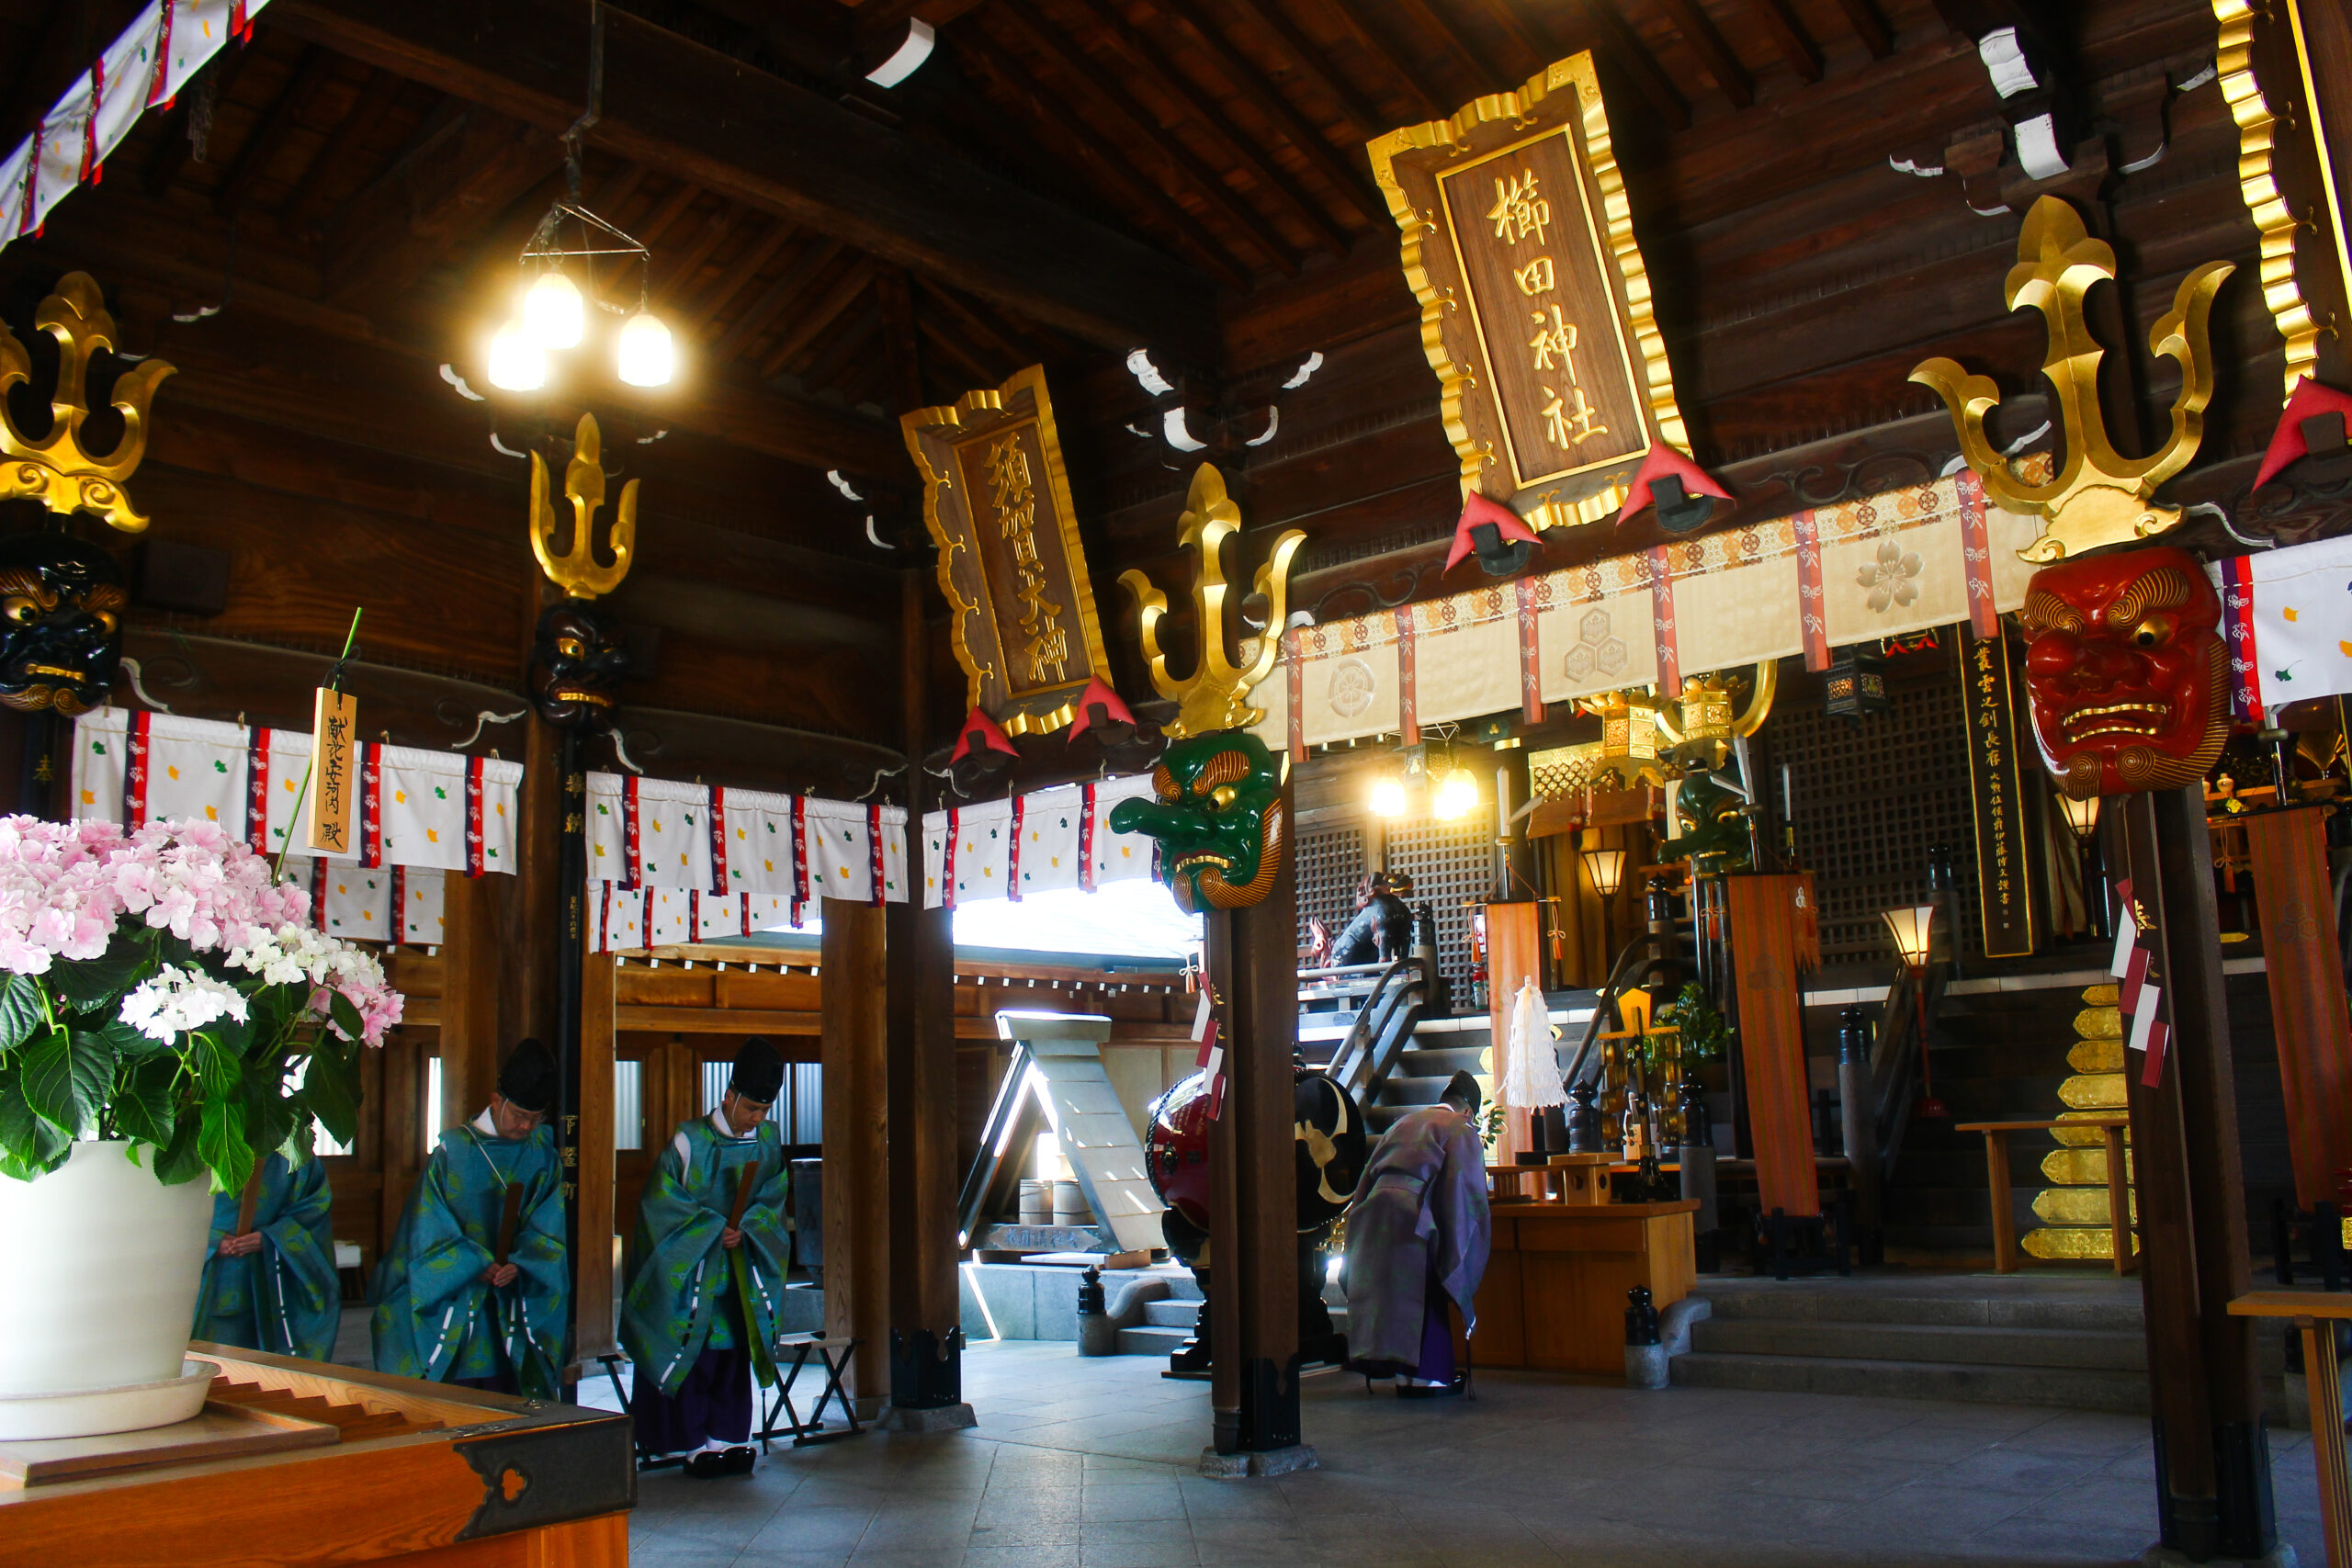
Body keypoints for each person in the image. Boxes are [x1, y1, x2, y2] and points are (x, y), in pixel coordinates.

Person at [622, 1037, 793, 1477]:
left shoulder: (769, 1142)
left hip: (740, 1273)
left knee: (734, 1350)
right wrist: (715, 1229)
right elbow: (661, 1208)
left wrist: (750, 1228)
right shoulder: (688, 1142)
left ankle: (732, 1437)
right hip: (693, 1272)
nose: (757, 1118)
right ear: (729, 1096)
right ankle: (692, 1443)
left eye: (764, 1110)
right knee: (694, 1352)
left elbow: (773, 1199)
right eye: (751, 1108)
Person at [372, 1039, 568, 1397]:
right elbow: (427, 1224)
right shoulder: (453, 1151)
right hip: (458, 1290)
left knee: (513, 1393)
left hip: (513, 1292)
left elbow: (549, 1224)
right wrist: (473, 1263)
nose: (526, 1127)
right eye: (518, 1116)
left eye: (535, 1119)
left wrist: (522, 1264)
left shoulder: (543, 1154)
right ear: (496, 1101)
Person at [1341, 1068, 1490, 1396]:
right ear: (1468, 1111)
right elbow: (1463, 1194)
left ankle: (1401, 1375)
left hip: (1373, 1215)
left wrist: (1355, 1228)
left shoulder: (1402, 1123)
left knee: (1393, 1294)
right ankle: (1430, 1377)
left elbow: (1367, 1179)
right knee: (1429, 1288)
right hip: (1413, 1215)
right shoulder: (1460, 1129)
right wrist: (1457, 1249)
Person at [193, 1151, 341, 1362]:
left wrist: (272, 1238)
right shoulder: (188, 1146)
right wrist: (206, 1240)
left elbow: (314, 1208)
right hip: (202, 1280)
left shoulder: (293, 1152)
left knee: (261, 1371)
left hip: (267, 1280)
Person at [1330, 873, 1414, 966]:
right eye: (1390, 881)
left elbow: (1405, 936)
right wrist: (1384, 964)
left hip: (1370, 956)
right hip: (1347, 957)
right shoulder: (1379, 911)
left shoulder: (1401, 909)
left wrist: (1403, 961)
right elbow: (1383, 935)